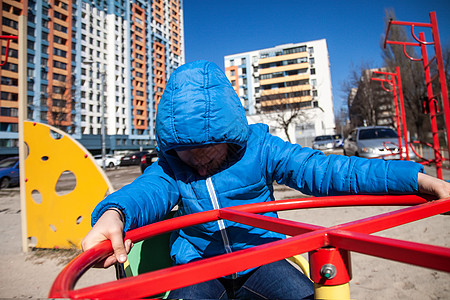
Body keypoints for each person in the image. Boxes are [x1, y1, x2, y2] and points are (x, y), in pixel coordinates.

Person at [82, 60, 450, 299]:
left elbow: (329, 171)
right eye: (183, 150)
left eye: (205, 147)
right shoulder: (173, 164)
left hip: (262, 258)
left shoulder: (262, 148)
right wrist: (114, 214)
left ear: (229, 134)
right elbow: (145, 192)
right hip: (198, 265)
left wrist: (417, 180)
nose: (195, 160)